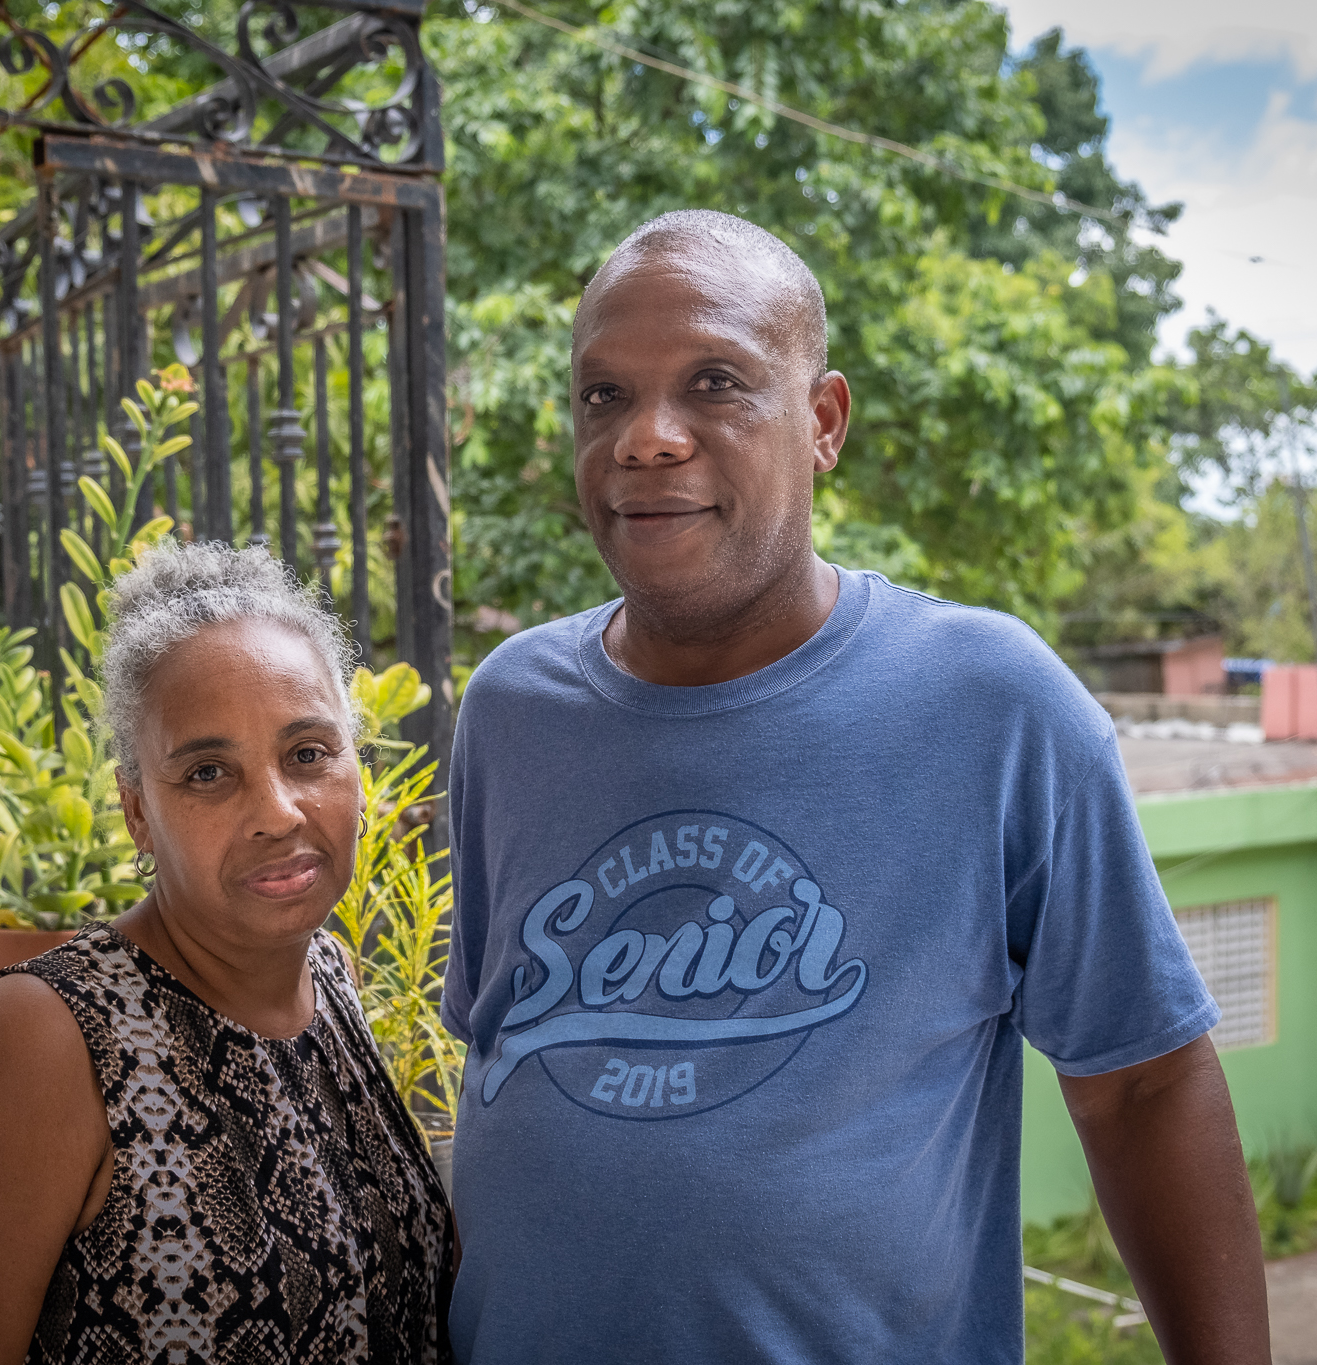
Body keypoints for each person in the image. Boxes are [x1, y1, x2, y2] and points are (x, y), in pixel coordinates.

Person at [440, 210, 1267, 1364]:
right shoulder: (511, 707)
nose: (644, 439)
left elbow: (1143, 1089)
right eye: (603, 397)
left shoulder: (991, 704)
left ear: (820, 422)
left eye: (714, 382)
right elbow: (498, 1059)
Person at [0, 542, 454, 1365]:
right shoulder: (43, 1040)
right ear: (138, 812)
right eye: (209, 771)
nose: (278, 811)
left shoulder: (331, 981)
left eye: (309, 753)